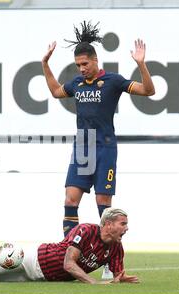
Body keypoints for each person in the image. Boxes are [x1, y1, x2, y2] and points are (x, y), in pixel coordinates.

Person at [42, 21, 155, 278]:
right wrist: (45, 64)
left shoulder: (113, 81)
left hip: (104, 148)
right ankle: (68, 255)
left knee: (104, 206)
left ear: (95, 60)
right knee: (70, 201)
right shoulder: (77, 85)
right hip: (83, 147)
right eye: (78, 65)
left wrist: (141, 64)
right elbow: (56, 91)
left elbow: (149, 90)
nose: (81, 69)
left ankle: (108, 262)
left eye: (85, 64)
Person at [0, 208, 139, 284]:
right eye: (122, 223)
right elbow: (68, 264)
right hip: (36, 260)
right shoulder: (85, 230)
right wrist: (93, 282)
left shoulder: (116, 248)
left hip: (46, 278)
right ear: (108, 224)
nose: (127, 228)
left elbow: (118, 275)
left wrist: (119, 279)